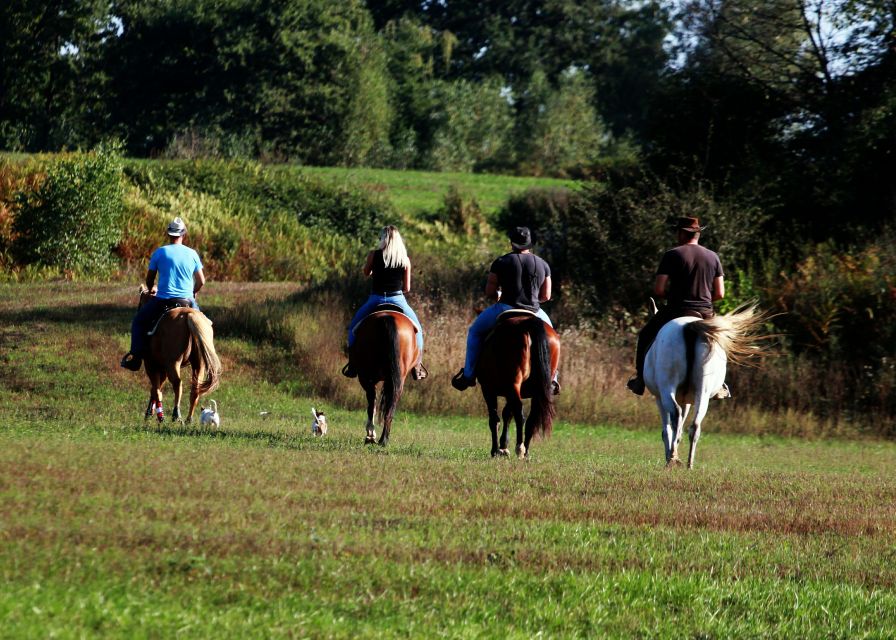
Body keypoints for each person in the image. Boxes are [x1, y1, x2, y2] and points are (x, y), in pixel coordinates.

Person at [451, 226, 558, 393]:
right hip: (535, 311)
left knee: (475, 332)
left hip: (505, 307)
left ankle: (469, 375)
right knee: (553, 338)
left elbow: (490, 292)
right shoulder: (543, 264)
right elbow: (546, 295)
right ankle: (553, 379)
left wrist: (499, 295)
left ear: (512, 243)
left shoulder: (501, 262)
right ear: (530, 244)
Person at [626, 216, 724, 395]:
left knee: (646, 335)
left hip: (676, 310)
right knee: (721, 343)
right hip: (704, 312)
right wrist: (704, 301)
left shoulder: (672, 254)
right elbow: (720, 293)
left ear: (681, 233)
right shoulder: (713, 257)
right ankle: (720, 385)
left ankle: (640, 380)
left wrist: (671, 297)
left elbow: (659, 289)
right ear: (698, 234)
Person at [120, 217, 205, 371]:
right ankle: (206, 359)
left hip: (164, 301)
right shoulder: (192, 254)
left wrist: (151, 288)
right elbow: (201, 281)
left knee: (138, 321)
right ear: (183, 234)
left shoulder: (160, 252)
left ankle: (136, 358)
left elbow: (150, 278)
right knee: (205, 326)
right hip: (188, 301)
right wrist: (193, 292)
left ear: (169, 234)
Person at [342, 225, 427, 380]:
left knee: (353, 328)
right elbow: (407, 288)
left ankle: (352, 364)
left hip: (376, 298)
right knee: (418, 330)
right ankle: (418, 366)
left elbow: (366, 272)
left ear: (383, 239)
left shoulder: (373, 255)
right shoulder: (404, 259)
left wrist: (376, 271)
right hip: (398, 299)